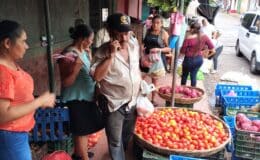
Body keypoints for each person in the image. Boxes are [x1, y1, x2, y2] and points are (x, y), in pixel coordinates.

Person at [0, 20, 56, 160]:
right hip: (10, 136)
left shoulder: (10, 64)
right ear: (7, 43)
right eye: (23, 41)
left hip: (17, 134)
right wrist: (39, 101)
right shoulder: (3, 72)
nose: (27, 46)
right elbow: (3, 115)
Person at [91, 13, 142, 160]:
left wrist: (140, 85)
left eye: (127, 33)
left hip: (132, 101)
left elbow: (135, 67)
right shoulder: (102, 52)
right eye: (120, 34)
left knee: (126, 136)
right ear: (111, 32)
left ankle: (121, 155)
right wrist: (111, 56)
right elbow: (97, 77)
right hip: (114, 104)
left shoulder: (133, 45)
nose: (125, 38)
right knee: (115, 141)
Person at [58, 24, 103, 160]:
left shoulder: (82, 51)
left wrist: (88, 57)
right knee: (81, 132)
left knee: (83, 130)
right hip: (76, 100)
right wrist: (76, 67)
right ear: (83, 39)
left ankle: (79, 154)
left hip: (85, 98)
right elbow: (66, 82)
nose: (92, 42)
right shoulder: (69, 54)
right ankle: (83, 157)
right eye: (91, 39)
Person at [142, 15, 171, 105]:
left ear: (161, 24)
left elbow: (169, 49)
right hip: (146, 59)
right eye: (154, 22)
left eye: (158, 23)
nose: (155, 25)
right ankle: (140, 97)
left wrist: (159, 50)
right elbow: (143, 45)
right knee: (141, 78)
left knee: (154, 81)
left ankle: (153, 99)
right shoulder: (148, 31)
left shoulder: (164, 34)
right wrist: (142, 55)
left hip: (157, 61)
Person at [180, 21, 214, 86]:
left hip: (188, 60)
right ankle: (193, 93)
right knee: (193, 75)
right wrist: (205, 56)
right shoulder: (205, 36)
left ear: (191, 29)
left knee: (184, 76)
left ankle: (182, 91)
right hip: (199, 59)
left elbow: (182, 52)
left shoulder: (188, 38)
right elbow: (212, 49)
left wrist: (178, 60)